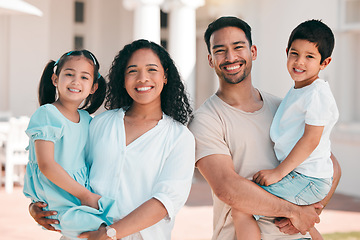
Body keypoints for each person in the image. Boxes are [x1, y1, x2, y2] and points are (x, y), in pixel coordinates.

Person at [188, 16, 341, 240]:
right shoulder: (205, 120)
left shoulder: (282, 108)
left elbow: (331, 165)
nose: (231, 57)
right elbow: (227, 188)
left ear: (253, 52)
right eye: (220, 50)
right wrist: (294, 211)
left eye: (238, 47)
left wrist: (311, 213)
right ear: (210, 60)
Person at [29, 39, 195, 240]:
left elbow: (165, 201)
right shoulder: (99, 123)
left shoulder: (179, 137)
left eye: (152, 70)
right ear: (123, 79)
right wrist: (36, 205)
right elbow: (63, 165)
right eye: (132, 71)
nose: (142, 78)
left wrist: (110, 233)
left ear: (165, 76)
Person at [231, 19, 339, 240]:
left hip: (306, 178)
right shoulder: (300, 89)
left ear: (325, 63)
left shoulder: (316, 94)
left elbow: (311, 140)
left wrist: (278, 173)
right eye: (294, 53)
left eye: (310, 57)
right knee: (289, 221)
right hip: (303, 176)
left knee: (243, 205)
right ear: (286, 52)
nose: (299, 62)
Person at [23, 50, 118, 239]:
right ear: (55, 79)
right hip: (59, 194)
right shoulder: (48, 114)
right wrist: (86, 196)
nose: (76, 81)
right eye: (69, 74)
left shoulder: (86, 119)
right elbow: (46, 165)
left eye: (84, 77)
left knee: (113, 224)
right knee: (105, 229)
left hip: (77, 195)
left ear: (93, 87)